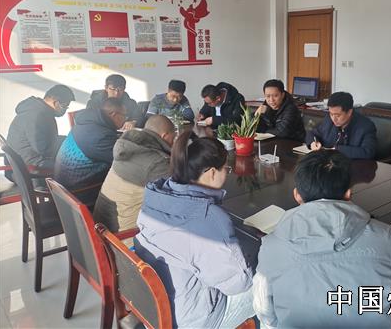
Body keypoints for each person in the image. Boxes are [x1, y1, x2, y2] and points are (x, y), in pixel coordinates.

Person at [253, 149, 391, 328]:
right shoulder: (385, 236)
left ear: (297, 195)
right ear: (348, 193)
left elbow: (265, 312)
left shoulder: (271, 246)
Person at [134, 131, 254, 328]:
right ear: (212, 173)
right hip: (192, 319)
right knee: (269, 282)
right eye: (226, 168)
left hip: (156, 305)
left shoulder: (156, 196)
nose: (227, 173)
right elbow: (238, 283)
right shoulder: (209, 218)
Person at [93, 115, 176, 235]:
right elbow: (178, 197)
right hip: (123, 238)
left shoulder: (127, 147)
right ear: (164, 136)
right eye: (173, 139)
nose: (173, 143)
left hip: (100, 229)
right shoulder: (157, 162)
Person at [54, 98, 126, 194]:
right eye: (124, 115)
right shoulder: (100, 136)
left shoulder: (85, 123)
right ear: (114, 114)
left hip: (64, 186)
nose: (125, 119)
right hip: (79, 192)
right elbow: (122, 160)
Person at [6, 85, 75, 179]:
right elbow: (43, 149)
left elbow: (46, 140)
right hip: (29, 166)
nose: (65, 109)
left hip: (24, 160)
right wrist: (69, 147)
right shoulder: (37, 116)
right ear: (56, 103)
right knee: (77, 165)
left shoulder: (38, 110)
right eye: (65, 106)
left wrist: (68, 141)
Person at [306, 91, 377, 159]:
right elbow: (312, 133)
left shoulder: (366, 126)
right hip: (329, 162)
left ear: (349, 112)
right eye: (331, 114)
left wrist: (337, 150)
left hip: (353, 165)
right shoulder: (328, 119)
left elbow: (368, 152)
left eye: (338, 115)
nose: (333, 119)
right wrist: (313, 143)